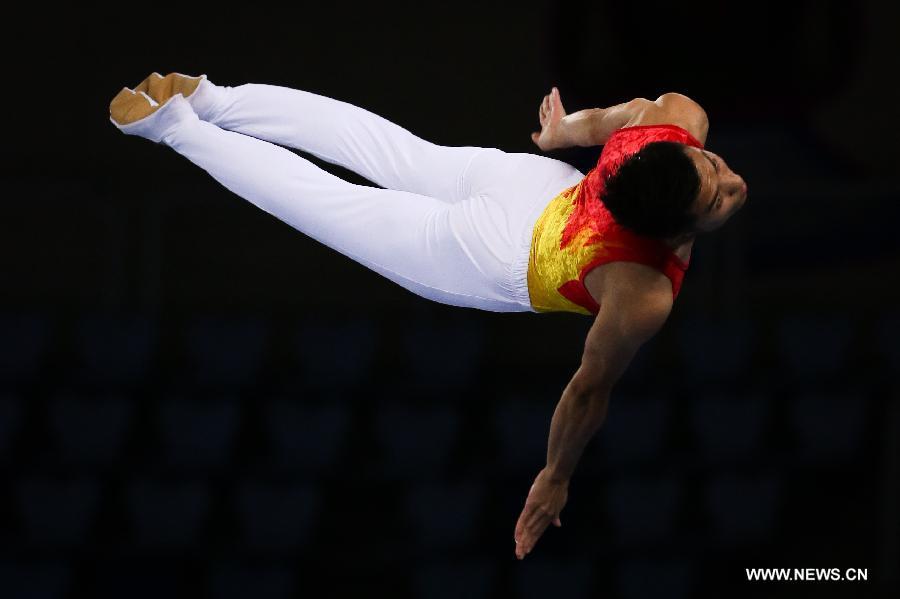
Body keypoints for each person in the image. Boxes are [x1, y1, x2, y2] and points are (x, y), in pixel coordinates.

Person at [108, 73, 748, 560]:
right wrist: (556, 476)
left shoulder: (670, 127)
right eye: (714, 175)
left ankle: (216, 99)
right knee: (333, 205)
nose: (730, 180)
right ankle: (177, 125)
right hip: (491, 255)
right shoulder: (641, 290)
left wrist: (561, 136)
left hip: (533, 183)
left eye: (716, 185)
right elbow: (588, 388)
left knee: (389, 150)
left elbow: (611, 121)